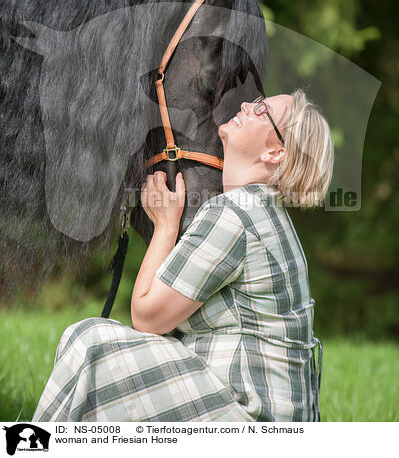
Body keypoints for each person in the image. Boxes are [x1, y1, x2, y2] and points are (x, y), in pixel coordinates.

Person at [32, 88, 334, 422]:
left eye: (263, 110)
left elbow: (147, 318)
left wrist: (164, 226)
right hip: (274, 418)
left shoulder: (235, 214)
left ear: (275, 153)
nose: (248, 105)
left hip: (249, 418)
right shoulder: (268, 213)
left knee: (88, 341)